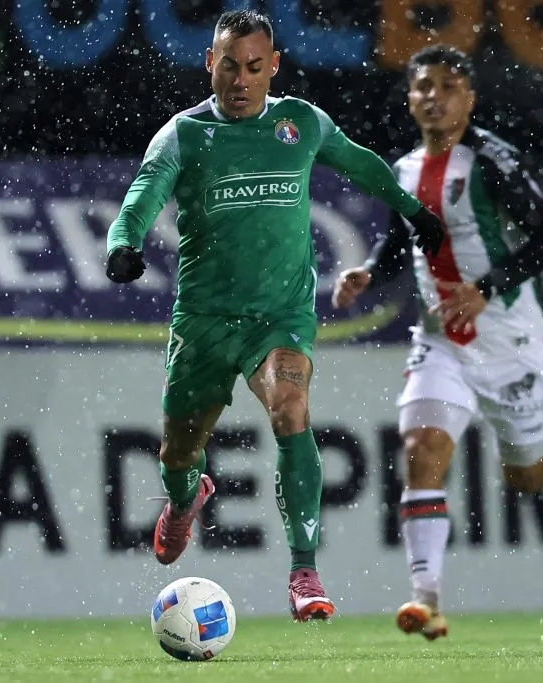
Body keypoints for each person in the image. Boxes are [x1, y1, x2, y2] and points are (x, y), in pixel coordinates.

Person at [105, 10, 445, 622]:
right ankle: (185, 498)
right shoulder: (183, 135)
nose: (240, 80)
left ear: (274, 67)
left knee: (291, 408)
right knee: (178, 453)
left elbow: (362, 162)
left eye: (254, 67)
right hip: (204, 321)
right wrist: (122, 245)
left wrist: (413, 211)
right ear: (209, 64)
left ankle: (304, 571)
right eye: (229, 66)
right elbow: (142, 196)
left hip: (279, 316)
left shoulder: (301, 123)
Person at [331, 45, 543, 639]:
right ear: (409, 99)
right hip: (441, 341)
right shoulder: (403, 171)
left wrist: (485, 289)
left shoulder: (492, 161)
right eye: (423, 86)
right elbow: (402, 244)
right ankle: (426, 600)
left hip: (509, 342)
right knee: (422, 450)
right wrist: (368, 272)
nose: (434, 97)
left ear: (470, 97)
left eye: (448, 86)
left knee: (527, 476)